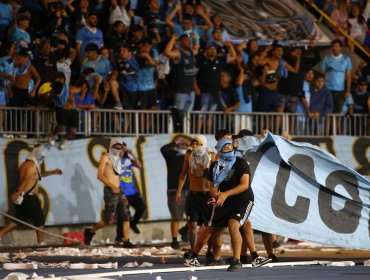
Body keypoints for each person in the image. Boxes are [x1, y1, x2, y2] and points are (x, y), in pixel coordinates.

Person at [185, 138, 254, 272]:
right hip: (224, 200)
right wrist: (216, 196)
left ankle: (237, 259)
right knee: (213, 229)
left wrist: (225, 194)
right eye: (225, 147)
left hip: (242, 199)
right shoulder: (215, 166)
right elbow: (213, 187)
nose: (228, 148)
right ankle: (196, 256)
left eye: (230, 146)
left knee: (235, 225)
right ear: (220, 149)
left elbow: (245, 185)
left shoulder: (241, 162)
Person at [0, 145, 62, 245]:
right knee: (40, 220)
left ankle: (0, 234)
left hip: (23, 197)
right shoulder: (32, 166)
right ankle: (40, 242)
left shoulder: (25, 164)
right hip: (29, 197)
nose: (41, 160)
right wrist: (18, 193)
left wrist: (52, 172)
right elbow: (25, 181)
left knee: (17, 220)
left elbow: (37, 175)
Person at [84, 139, 136, 248]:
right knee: (108, 220)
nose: (118, 149)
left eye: (119, 147)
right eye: (116, 147)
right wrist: (112, 186)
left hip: (119, 190)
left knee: (126, 216)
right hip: (110, 190)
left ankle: (126, 241)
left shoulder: (118, 158)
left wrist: (125, 150)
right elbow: (100, 175)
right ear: (111, 146)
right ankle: (90, 231)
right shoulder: (105, 157)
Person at [177, 135, 214, 250]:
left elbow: (215, 177)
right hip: (193, 194)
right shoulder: (189, 155)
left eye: (198, 145)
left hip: (207, 195)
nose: (196, 148)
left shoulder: (211, 156)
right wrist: (179, 192)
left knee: (209, 226)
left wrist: (205, 169)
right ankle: (193, 251)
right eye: (194, 145)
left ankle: (210, 252)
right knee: (192, 225)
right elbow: (183, 174)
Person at [160, 135, 192, 249]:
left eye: (185, 144)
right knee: (176, 216)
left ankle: (185, 229)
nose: (183, 146)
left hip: (190, 189)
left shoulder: (190, 156)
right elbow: (163, 149)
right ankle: (174, 240)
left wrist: (189, 143)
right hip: (174, 189)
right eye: (180, 144)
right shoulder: (171, 155)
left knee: (193, 216)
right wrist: (175, 142)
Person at [115, 142, 145, 242]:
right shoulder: (114, 161)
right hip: (122, 193)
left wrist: (132, 153)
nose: (123, 151)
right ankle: (119, 237)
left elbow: (140, 165)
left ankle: (133, 224)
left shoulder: (128, 159)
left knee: (141, 207)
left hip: (132, 191)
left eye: (124, 149)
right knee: (122, 216)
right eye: (121, 149)